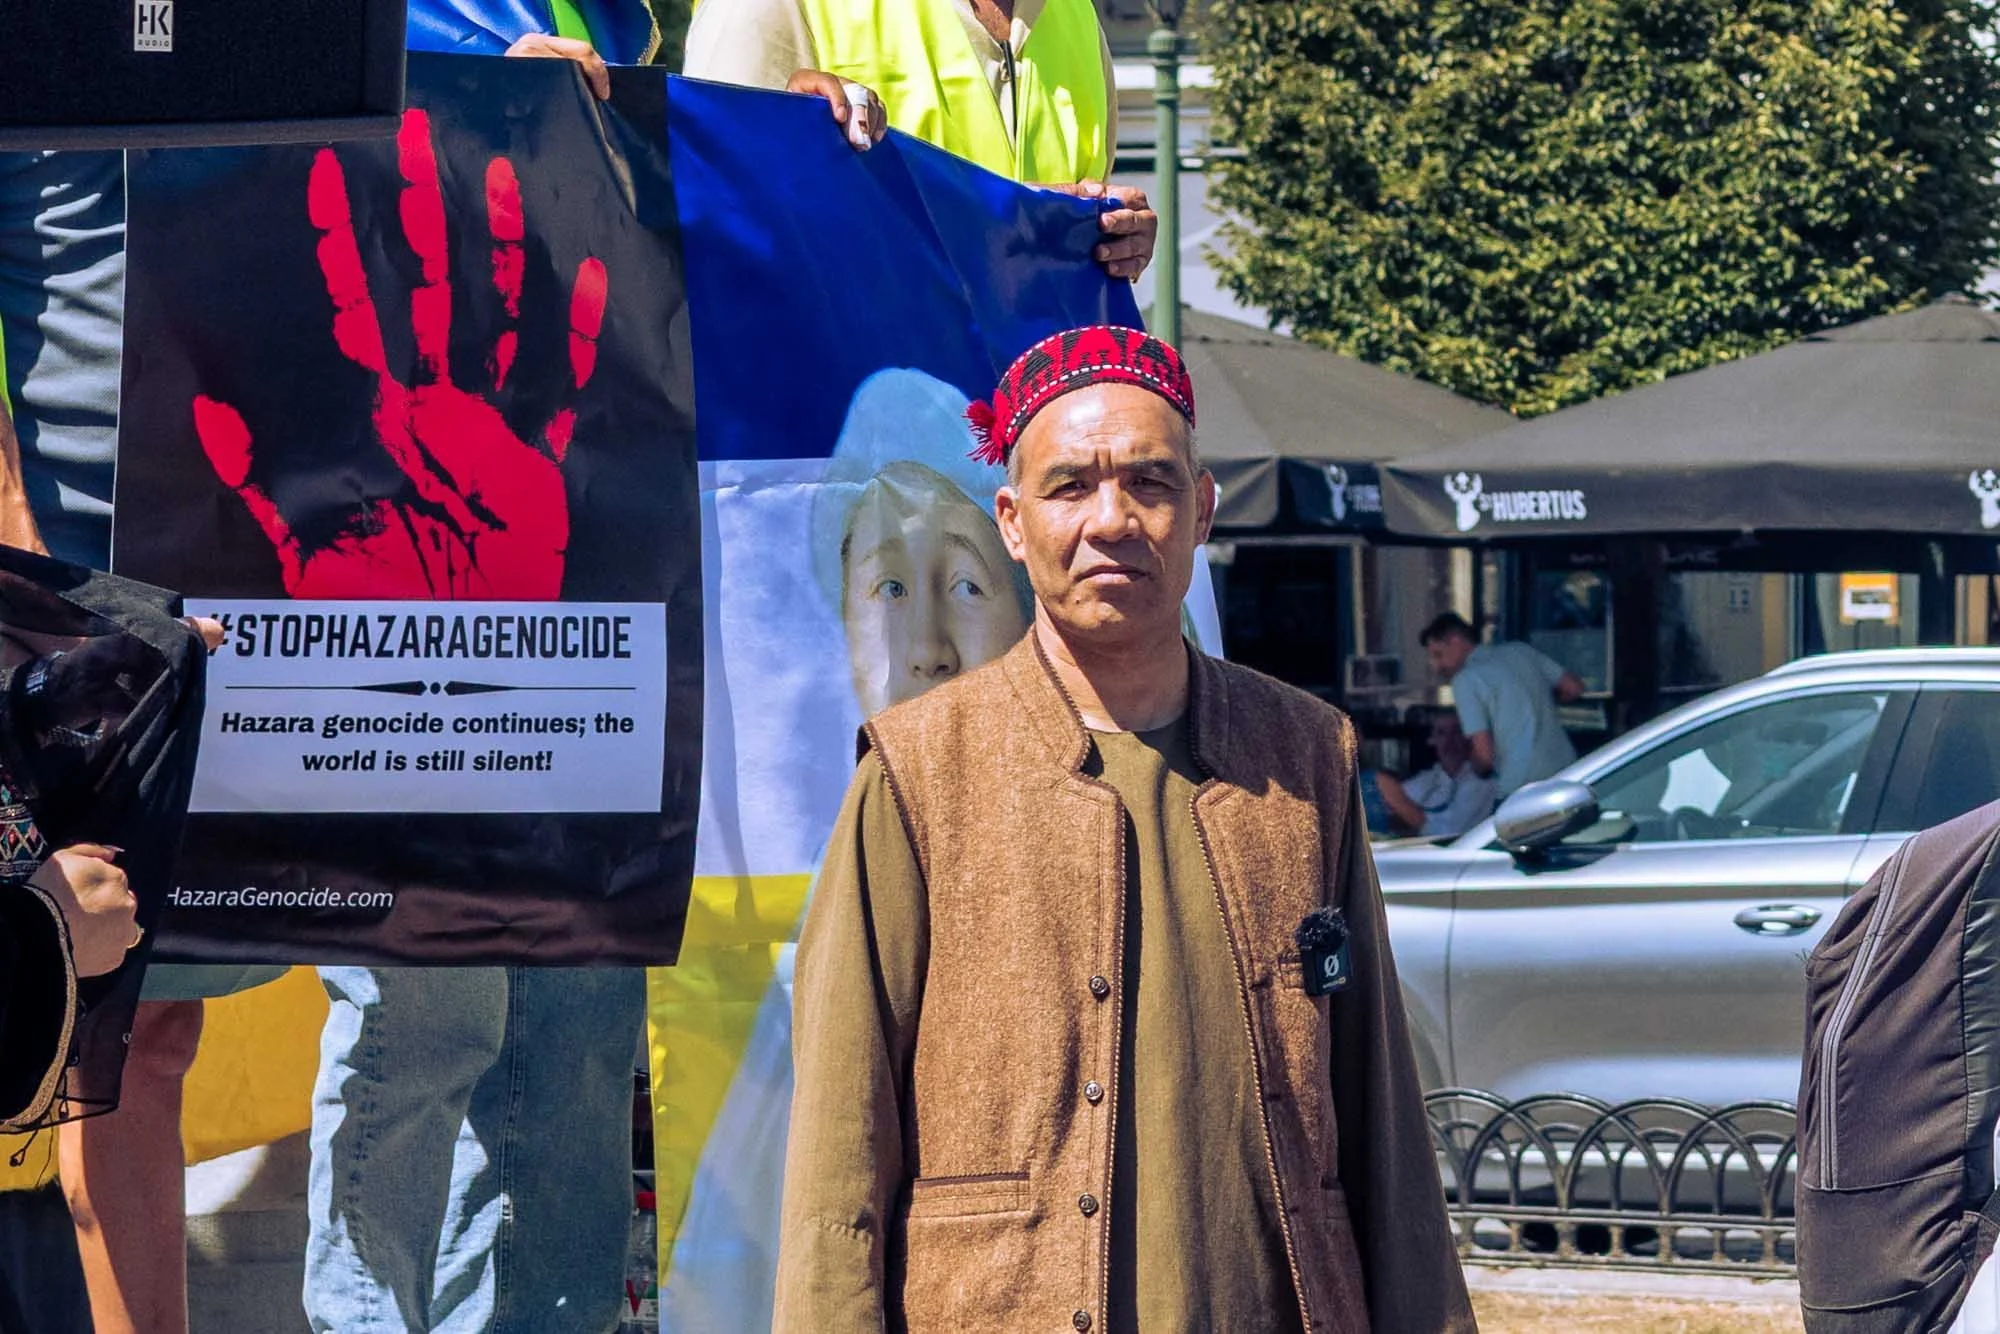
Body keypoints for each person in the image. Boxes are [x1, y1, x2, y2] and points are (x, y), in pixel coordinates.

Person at [0, 9, 652, 1334]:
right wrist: (37, 598)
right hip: (95, 586)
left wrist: (519, 113)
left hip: (323, 547)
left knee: (417, 964)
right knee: (109, 1013)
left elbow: (390, 181)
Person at [776, 325, 1471, 1333]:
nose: (1112, 519)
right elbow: (841, 1141)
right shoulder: (918, 772)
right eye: (1069, 487)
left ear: (1200, 512)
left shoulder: (1303, 751)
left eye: (1148, 483)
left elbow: (1379, 1114)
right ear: (1011, 522)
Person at [682, 0, 1158, 281]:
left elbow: (1078, 213)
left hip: (1027, 421)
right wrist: (992, 222)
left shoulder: (1075, 13)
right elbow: (715, 222)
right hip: (852, 420)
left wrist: (1115, 238)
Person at [1421, 611, 1584, 799]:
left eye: (1438, 655)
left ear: (1456, 640)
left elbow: (1484, 756)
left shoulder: (1466, 680)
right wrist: (1540, 700)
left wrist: (1473, 767)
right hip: (1568, 772)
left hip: (1522, 786)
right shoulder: (1521, 651)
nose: (1437, 665)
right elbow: (1573, 687)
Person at [1369, 711, 1496, 840]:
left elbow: (1452, 831)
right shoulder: (1424, 781)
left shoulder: (1486, 782)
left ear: (1468, 737)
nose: (1449, 741)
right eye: (1441, 733)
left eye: (1456, 731)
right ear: (1432, 740)